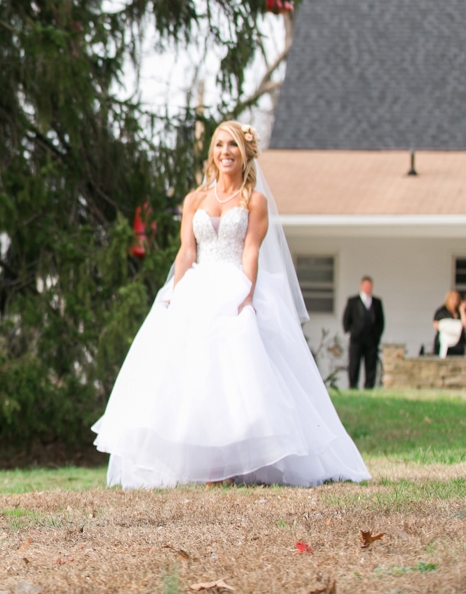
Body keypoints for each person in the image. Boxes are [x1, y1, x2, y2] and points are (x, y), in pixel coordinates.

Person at [92, 121, 369, 489]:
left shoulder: (254, 201)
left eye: (234, 145)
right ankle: (203, 465)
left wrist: (247, 296)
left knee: (239, 376)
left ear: (244, 153)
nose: (226, 152)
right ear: (212, 153)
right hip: (196, 285)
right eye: (220, 145)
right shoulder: (194, 200)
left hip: (234, 282)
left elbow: (251, 249)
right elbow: (187, 251)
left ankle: (239, 463)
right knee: (191, 376)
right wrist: (174, 292)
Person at [342, 277, 385, 388]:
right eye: (365, 286)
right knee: (354, 364)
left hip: (371, 339)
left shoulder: (377, 302)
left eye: (369, 286)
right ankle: (353, 385)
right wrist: (350, 332)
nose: (367, 288)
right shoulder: (353, 301)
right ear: (361, 286)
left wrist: (377, 336)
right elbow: (346, 319)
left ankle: (369, 386)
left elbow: (381, 321)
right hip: (356, 339)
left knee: (371, 364)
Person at [432, 290, 466, 357]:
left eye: (457, 299)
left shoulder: (459, 312)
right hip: (444, 344)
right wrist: (454, 326)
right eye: (453, 298)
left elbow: (464, 325)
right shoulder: (442, 311)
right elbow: (436, 325)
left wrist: (462, 310)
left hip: (459, 343)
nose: (455, 301)